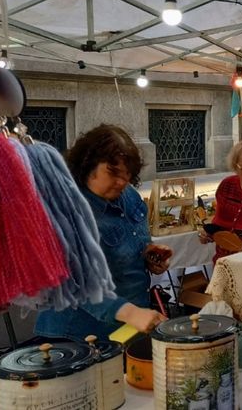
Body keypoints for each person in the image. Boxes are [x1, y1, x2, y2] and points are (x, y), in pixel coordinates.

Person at [35, 124, 168, 341]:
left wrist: (149, 255)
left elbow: (133, 242)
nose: (122, 181)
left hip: (127, 326)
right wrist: (131, 313)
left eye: (127, 173)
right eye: (113, 172)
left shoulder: (129, 195)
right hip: (78, 334)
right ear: (88, 165)